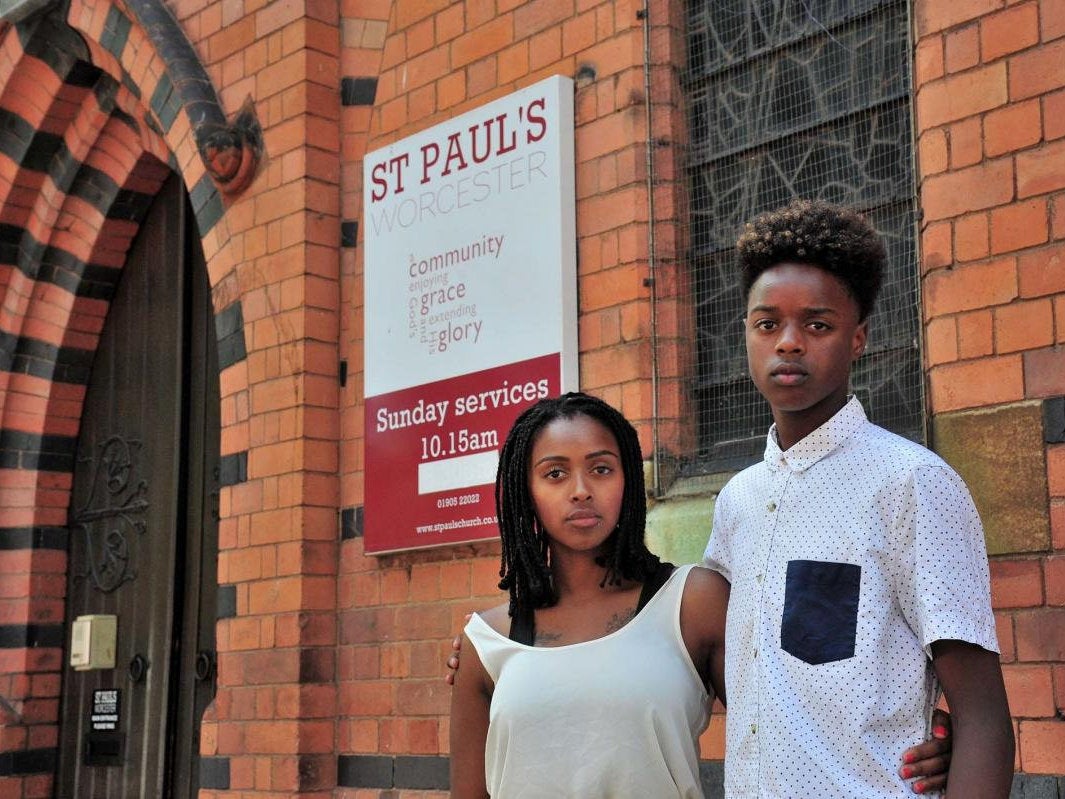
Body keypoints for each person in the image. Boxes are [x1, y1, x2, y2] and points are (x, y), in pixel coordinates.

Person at [449, 391, 953, 798]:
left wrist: (907, 735)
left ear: (626, 480)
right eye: (555, 473)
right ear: (525, 492)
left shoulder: (692, 602)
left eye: (601, 468)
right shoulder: (486, 642)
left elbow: (785, 714)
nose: (580, 489)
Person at [703, 198, 1014, 797]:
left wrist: (944, 738)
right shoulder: (737, 502)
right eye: (767, 324)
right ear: (746, 334)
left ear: (858, 338)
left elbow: (981, 715)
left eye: (816, 325)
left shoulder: (910, 483)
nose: (788, 343)